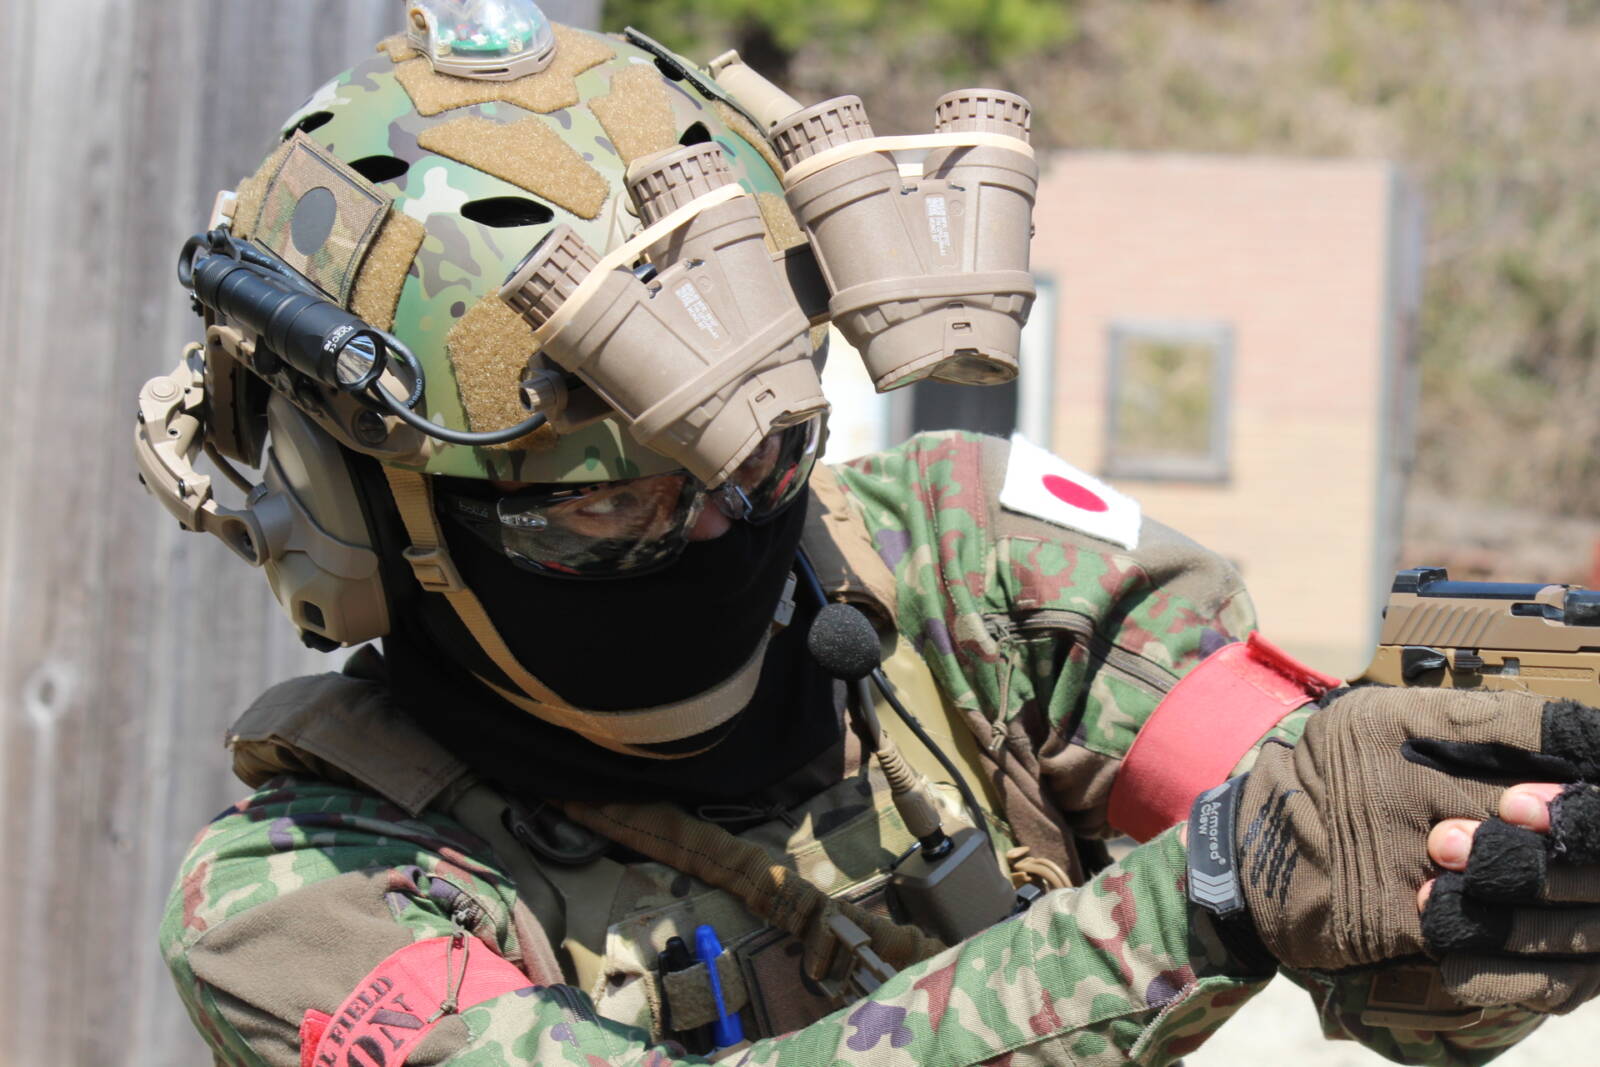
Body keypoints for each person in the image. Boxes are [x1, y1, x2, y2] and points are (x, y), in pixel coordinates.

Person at [140, 6, 1600, 1065]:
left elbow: (1328, 831)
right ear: (359, 519)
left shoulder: (975, 565)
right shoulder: (300, 905)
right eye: (605, 505)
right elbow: (1242, 862)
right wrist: (1207, 900)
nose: (716, 527)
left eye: (760, 459)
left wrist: (1486, 866)